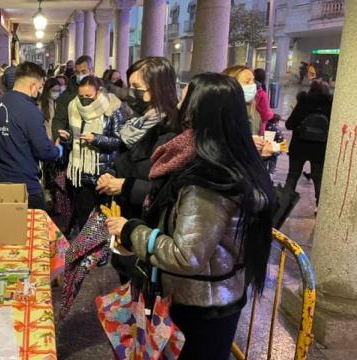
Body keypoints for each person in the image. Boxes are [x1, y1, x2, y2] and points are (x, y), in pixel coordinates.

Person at [107, 73, 275, 360]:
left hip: (199, 308)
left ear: (198, 110)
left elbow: (187, 256)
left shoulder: (208, 179)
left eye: (185, 97)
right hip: (211, 298)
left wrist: (130, 230)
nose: (179, 102)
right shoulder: (229, 157)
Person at [96, 57, 180, 284]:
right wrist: (111, 174)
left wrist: (126, 185)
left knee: (144, 303)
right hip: (126, 224)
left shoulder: (173, 132)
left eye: (136, 88)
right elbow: (125, 163)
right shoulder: (137, 123)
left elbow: (170, 192)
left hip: (150, 234)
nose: (130, 94)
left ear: (155, 90)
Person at [0, 62, 64, 210]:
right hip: (23, 186)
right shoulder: (30, 110)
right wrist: (57, 150)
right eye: (40, 87)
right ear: (33, 85)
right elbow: (43, 150)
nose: (39, 91)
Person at [58, 76, 125, 231]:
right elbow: (75, 136)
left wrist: (95, 139)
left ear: (98, 92)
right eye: (81, 96)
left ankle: (102, 252)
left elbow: (117, 141)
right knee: (84, 219)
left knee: (104, 219)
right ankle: (85, 251)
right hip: (81, 175)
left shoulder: (112, 110)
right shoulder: (74, 107)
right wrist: (67, 138)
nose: (84, 100)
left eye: (88, 96)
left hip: (104, 174)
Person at [285, 78, 333, 207]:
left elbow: (289, 125)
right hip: (320, 150)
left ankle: (282, 206)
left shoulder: (303, 103)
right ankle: (321, 209)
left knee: (292, 176)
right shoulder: (331, 106)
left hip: (298, 148)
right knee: (318, 180)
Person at [52, 55, 94, 140]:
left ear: (92, 70)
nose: (80, 75)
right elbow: (59, 119)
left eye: (83, 71)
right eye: (77, 72)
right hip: (73, 140)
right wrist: (59, 137)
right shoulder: (67, 95)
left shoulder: (102, 92)